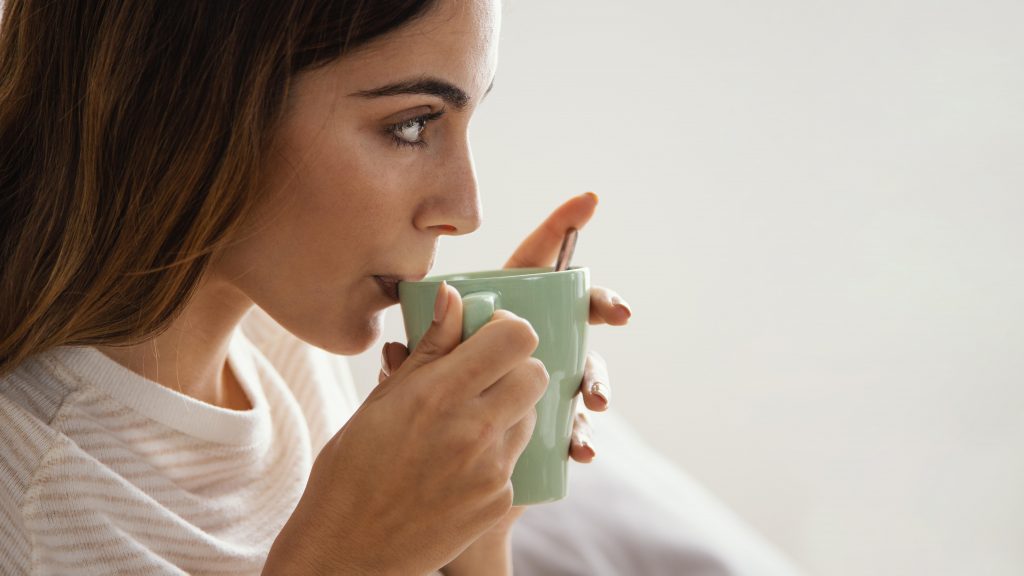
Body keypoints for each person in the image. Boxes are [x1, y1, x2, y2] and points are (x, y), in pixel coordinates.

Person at [0, 1, 804, 574]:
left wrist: (476, 526)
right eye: (413, 124)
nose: (466, 210)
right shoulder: (42, 506)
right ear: (190, 100)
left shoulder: (287, 342)